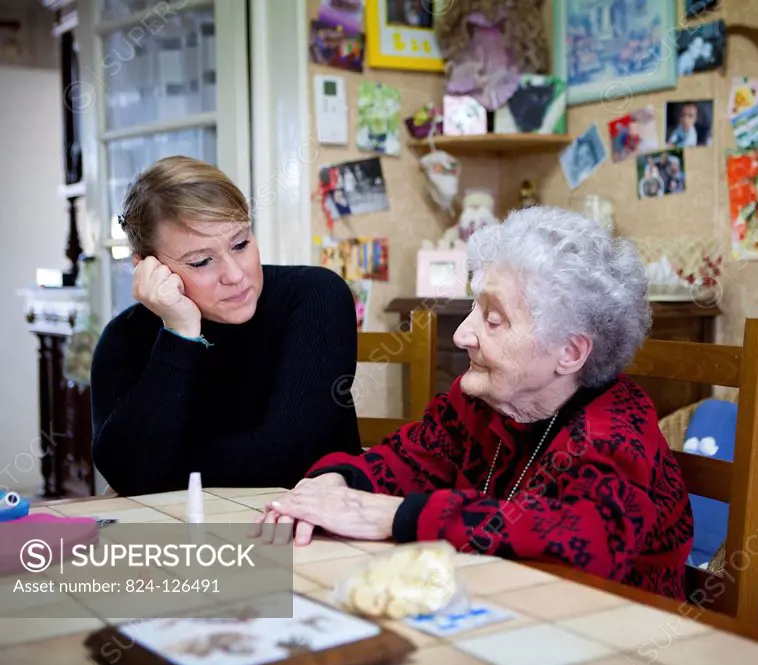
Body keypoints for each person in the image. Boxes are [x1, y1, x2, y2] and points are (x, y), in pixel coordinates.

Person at [257, 206, 695, 600]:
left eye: (493, 319)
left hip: (614, 638)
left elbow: (583, 543)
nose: (462, 335)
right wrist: (337, 481)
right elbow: (405, 458)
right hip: (500, 607)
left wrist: (399, 516)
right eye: (473, 308)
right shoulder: (482, 403)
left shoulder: (615, 431)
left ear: (570, 352)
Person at [90, 156, 362, 496]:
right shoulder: (123, 338)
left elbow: (285, 462)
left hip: (314, 533)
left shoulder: (315, 296)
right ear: (147, 267)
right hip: (187, 535)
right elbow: (126, 472)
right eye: (201, 261)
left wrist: (159, 471)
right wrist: (179, 334)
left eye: (241, 243)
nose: (235, 275)